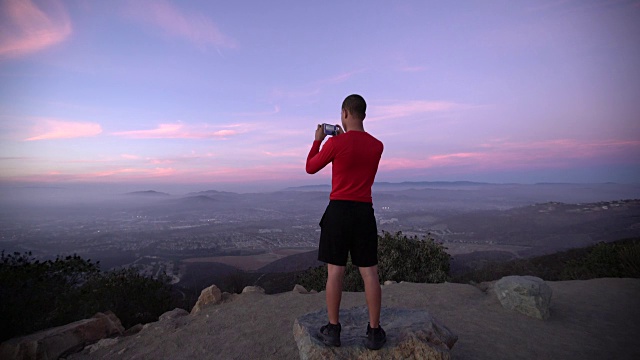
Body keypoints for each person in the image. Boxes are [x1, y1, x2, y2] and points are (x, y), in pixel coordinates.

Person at [305, 94, 386, 350]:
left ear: (344, 114)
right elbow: (358, 154)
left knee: (335, 272)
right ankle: (374, 332)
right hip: (364, 212)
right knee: (369, 272)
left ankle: (333, 329)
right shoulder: (377, 146)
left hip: (339, 211)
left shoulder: (335, 144)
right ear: (363, 114)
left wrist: (318, 141)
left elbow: (310, 167)